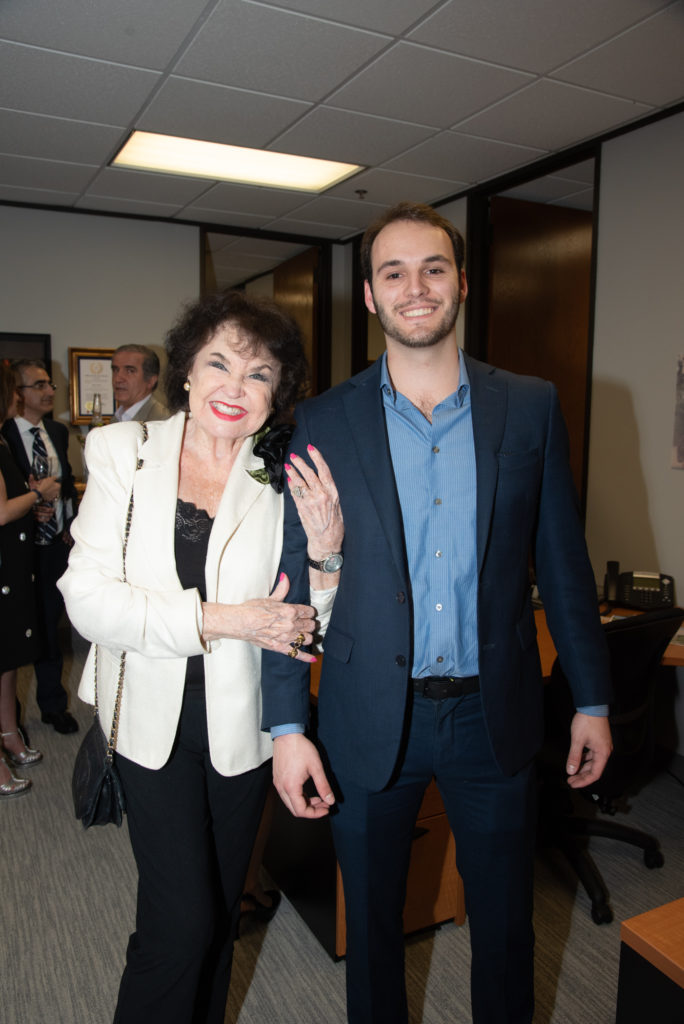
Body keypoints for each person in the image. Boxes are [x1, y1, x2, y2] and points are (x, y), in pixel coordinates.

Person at [262, 201, 613, 1024]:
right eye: (394, 273)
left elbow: (562, 562)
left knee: (503, 927)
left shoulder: (527, 407)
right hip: (368, 720)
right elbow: (293, 576)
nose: (415, 287)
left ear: (460, 282)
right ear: (372, 298)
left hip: (495, 715)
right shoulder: (321, 421)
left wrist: (592, 699)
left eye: (433, 268)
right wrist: (286, 728)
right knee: (374, 934)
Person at [58, 290, 342, 1024]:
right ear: (185, 370)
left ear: (276, 394)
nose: (234, 387)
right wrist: (225, 619)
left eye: (258, 374)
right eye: (218, 362)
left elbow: (303, 630)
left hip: (240, 732)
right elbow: (86, 599)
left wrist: (330, 560)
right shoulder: (124, 452)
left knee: (217, 917)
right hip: (149, 726)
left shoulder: (278, 476)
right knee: (179, 923)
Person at [1, 359, 79, 734]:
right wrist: (34, 509)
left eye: (50, 383)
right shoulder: (4, 435)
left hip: (55, 548)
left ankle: (53, 705)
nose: (50, 391)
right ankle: (9, 720)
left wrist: (70, 522)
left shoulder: (58, 431)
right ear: (18, 394)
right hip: (19, 551)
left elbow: (65, 484)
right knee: (15, 632)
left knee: (50, 624)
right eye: (40, 385)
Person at [0, 362, 60, 796]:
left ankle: (9, 735)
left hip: (20, 558)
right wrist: (37, 494)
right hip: (5, 562)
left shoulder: (5, 439)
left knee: (9, 659)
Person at [111, 344, 168, 421]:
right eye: (115, 370)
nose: (118, 379)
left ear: (151, 380)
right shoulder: (117, 418)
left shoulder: (163, 421)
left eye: (130, 371)